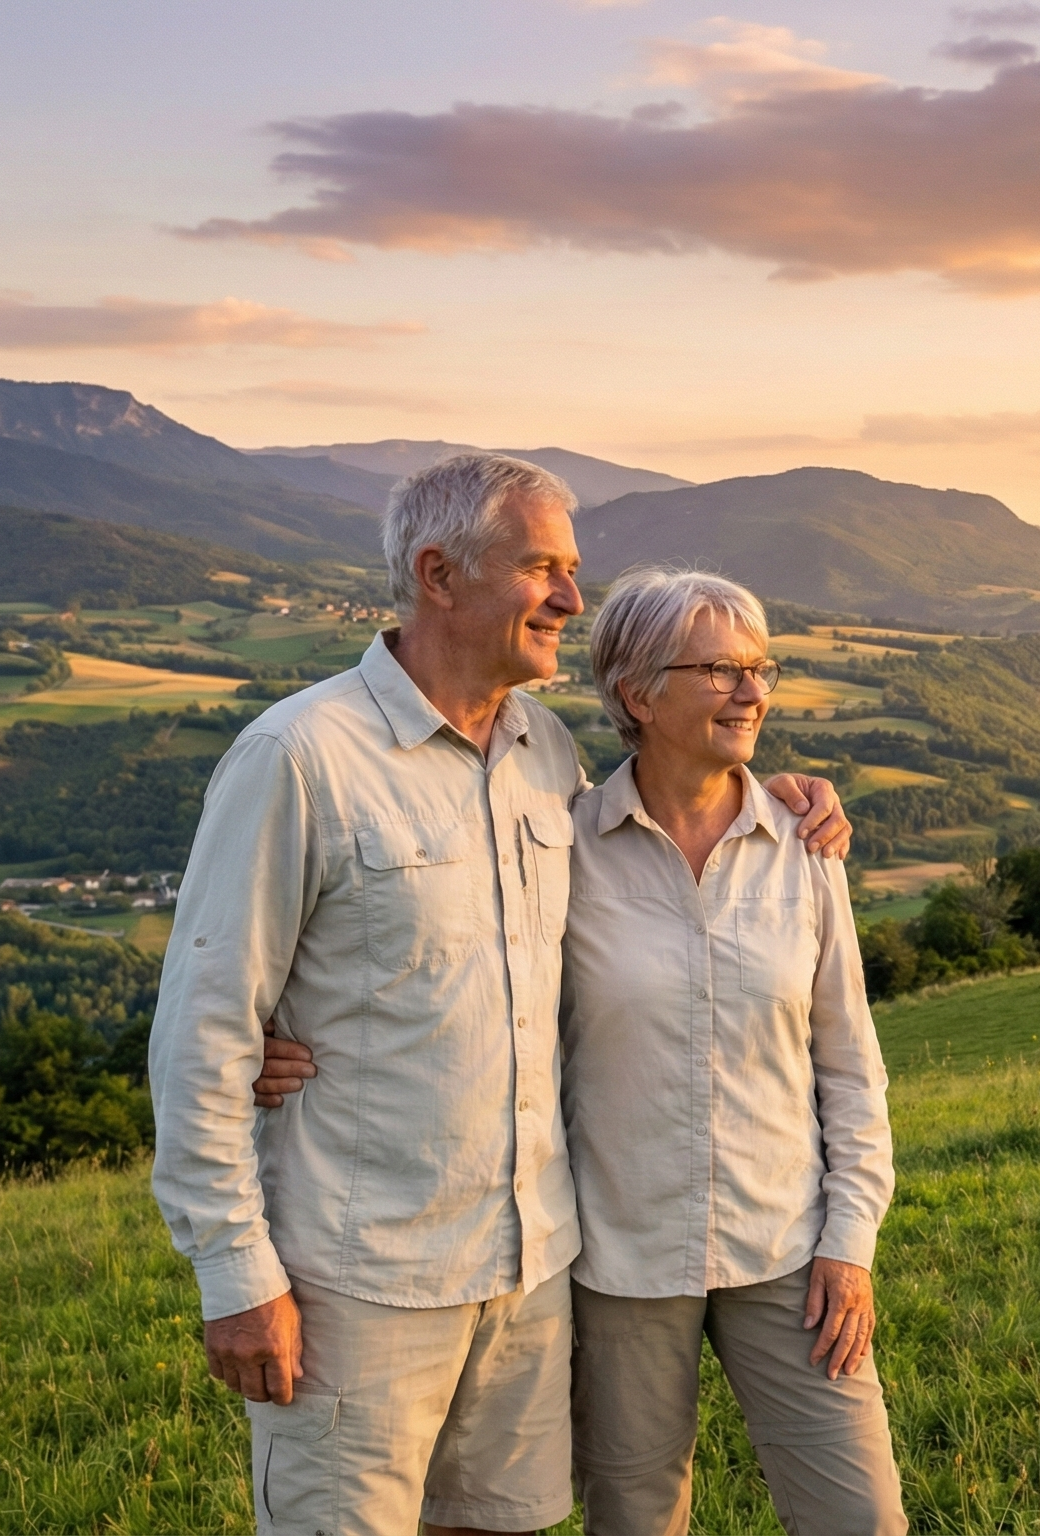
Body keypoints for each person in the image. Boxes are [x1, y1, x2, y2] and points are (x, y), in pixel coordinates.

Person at [150, 454, 850, 1536]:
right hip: (362, 1279)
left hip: (532, 1272)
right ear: (438, 573)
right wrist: (235, 1272)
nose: (573, 599)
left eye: (571, 571)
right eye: (542, 570)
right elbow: (203, 1031)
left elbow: (649, 871)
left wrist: (782, 793)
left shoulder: (545, 754)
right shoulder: (299, 757)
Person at [563, 567, 901, 1536]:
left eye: (761, 668)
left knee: (861, 1518)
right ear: (637, 692)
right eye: (720, 669)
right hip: (621, 1262)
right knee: (634, 1521)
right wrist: (289, 1039)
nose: (754, 692)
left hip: (791, 1253)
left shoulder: (804, 845)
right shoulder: (565, 848)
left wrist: (850, 1245)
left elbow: (849, 1064)